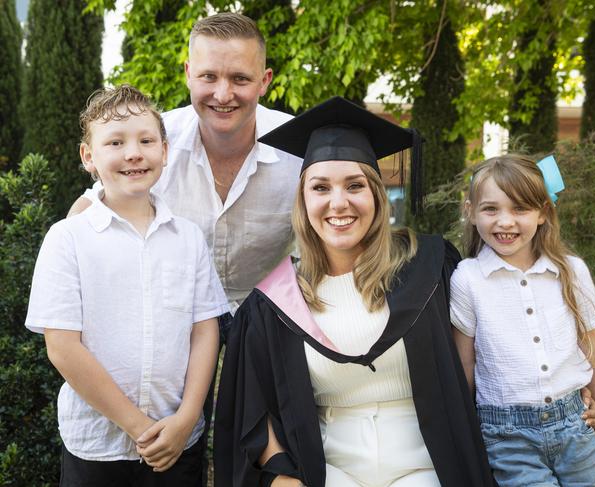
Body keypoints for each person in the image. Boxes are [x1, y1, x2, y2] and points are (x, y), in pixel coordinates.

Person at [213, 96, 498, 487]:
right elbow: (253, 406)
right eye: (320, 187)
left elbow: (492, 342)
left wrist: (563, 394)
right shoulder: (275, 302)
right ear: (303, 200)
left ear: (377, 195)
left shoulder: (430, 268)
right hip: (330, 470)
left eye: (354, 186)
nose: (338, 202)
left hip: (431, 464)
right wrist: (280, 475)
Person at [67, 13, 302, 483]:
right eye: (209, 76)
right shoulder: (153, 143)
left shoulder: (297, 149)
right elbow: (85, 212)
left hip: (267, 310)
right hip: (175, 314)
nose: (223, 93)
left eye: (240, 78)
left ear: (265, 81)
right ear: (187, 74)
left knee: (279, 440)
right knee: (178, 439)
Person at [25, 85, 229, 486]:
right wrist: (139, 427)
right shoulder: (68, 238)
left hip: (178, 442)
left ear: (165, 152)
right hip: (97, 448)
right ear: (89, 157)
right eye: (115, 142)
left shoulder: (187, 238)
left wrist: (186, 419)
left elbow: (205, 330)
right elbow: (62, 346)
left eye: (146, 140)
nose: (133, 152)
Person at [450, 154, 595, 486]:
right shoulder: (468, 279)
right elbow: (465, 370)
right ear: (470, 212)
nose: (505, 222)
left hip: (578, 428)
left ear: (543, 212)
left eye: (520, 209)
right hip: (507, 438)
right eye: (491, 209)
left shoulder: (571, 271)